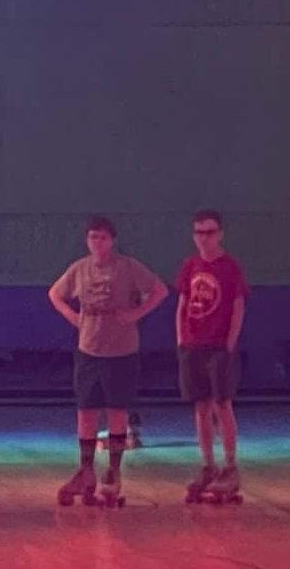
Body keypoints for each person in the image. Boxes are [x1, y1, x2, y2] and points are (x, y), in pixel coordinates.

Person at [48, 216, 167, 505]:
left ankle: (113, 471)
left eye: (102, 237)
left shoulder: (128, 267)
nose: (97, 243)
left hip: (121, 351)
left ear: (112, 240)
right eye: (92, 237)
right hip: (90, 348)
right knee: (86, 411)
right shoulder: (80, 269)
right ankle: (86, 469)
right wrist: (74, 317)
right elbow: (55, 294)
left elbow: (160, 290)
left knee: (117, 411)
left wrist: (136, 314)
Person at [176, 209, 249, 502]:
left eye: (209, 232)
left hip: (219, 345)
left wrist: (230, 342)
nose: (203, 238)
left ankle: (230, 466)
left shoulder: (230, 267)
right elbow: (182, 303)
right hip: (193, 345)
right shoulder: (190, 265)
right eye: (199, 233)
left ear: (220, 234)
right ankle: (208, 465)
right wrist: (181, 338)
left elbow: (238, 306)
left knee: (222, 404)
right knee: (202, 406)